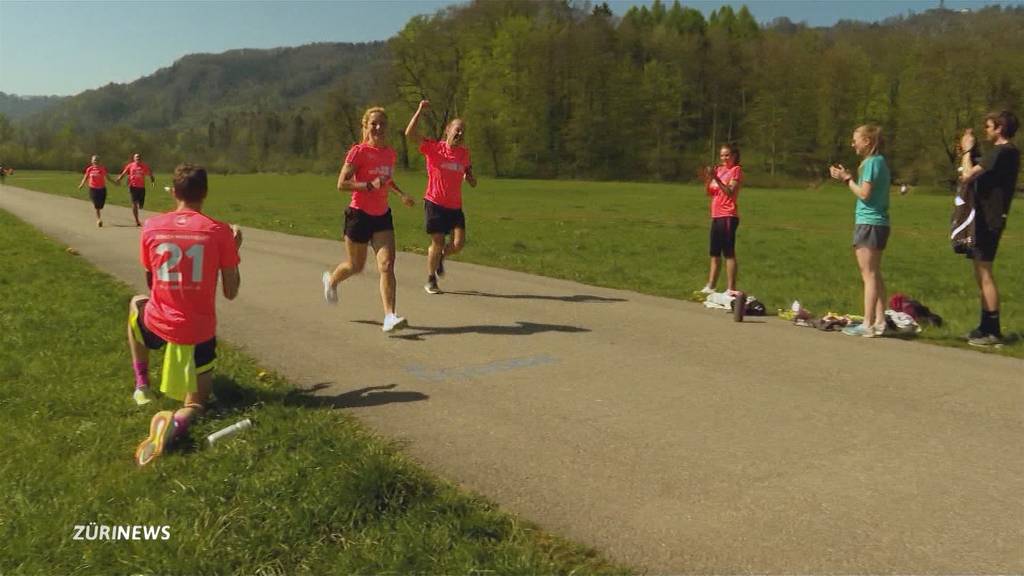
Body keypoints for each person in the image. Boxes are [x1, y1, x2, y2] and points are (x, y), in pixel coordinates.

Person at [130, 164, 242, 466]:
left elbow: (151, 283)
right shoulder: (219, 232)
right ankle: (176, 423)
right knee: (196, 403)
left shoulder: (151, 226)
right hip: (197, 332)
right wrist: (234, 248)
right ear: (204, 194)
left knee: (136, 304)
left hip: (159, 323)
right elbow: (231, 292)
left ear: (174, 192)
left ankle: (142, 384)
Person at [322, 106, 416, 332]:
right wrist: (367, 186)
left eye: (382, 123)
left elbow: (386, 179)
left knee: (386, 265)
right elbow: (341, 184)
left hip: (382, 216)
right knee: (356, 266)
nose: (378, 127)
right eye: (373, 123)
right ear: (365, 127)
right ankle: (332, 281)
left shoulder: (390, 153)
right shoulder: (358, 152)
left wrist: (401, 194)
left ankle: (389, 316)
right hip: (358, 215)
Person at [958, 110, 1019, 347]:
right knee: (980, 271)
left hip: (989, 218)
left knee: (984, 272)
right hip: (986, 216)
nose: (986, 130)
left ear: (1000, 128)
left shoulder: (1003, 152)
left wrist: (966, 151)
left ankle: (993, 330)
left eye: (989, 126)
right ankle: (984, 326)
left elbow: (967, 176)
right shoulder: (1003, 153)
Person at [404, 99, 477, 294]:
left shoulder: (464, 153)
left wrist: (470, 177)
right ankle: (430, 280)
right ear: (447, 130)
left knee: (458, 244)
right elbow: (409, 134)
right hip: (435, 203)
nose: (460, 134)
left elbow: (467, 171)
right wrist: (419, 110)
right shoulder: (433, 148)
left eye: (463, 131)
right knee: (437, 241)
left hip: (455, 206)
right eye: (457, 130)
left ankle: (441, 258)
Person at [829, 124, 891, 338]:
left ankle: (868, 323)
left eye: (856, 139)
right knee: (875, 273)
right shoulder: (880, 162)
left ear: (867, 141)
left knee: (869, 275)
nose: (852, 143)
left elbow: (864, 194)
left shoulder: (872, 163)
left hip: (869, 222)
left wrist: (846, 179)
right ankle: (880, 320)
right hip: (879, 223)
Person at [699, 143, 743, 295]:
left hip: (728, 215)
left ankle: (731, 288)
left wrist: (716, 178)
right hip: (716, 215)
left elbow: (730, 192)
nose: (724, 158)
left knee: (728, 253)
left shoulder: (736, 170)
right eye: (722, 155)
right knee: (714, 253)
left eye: (727, 155)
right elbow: (709, 192)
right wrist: (708, 177)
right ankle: (711, 285)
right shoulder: (719, 170)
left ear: (734, 156)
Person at [77, 155, 118, 227]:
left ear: (99, 161)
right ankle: (99, 220)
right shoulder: (89, 169)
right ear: (92, 161)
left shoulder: (102, 169)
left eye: (96, 160)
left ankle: (99, 211)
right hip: (93, 189)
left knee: (101, 205)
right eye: (94, 160)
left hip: (102, 189)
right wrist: (81, 184)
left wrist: (115, 183)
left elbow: (108, 178)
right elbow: (85, 178)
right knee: (97, 206)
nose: (95, 161)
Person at [115, 152, 155, 227]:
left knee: (141, 205)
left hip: (141, 187)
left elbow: (150, 173)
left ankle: (140, 205)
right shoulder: (130, 165)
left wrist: (152, 179)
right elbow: (124, 173)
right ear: (134, 159)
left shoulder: (144, 166)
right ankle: (137, 220)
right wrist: (119, 179)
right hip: (133, 187)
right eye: (136, 157)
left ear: (141, 159)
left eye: (139, 157)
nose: (138, 159)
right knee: (134, 203)